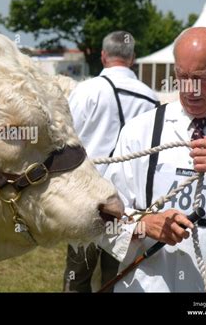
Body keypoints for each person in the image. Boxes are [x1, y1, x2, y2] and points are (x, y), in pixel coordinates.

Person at [104, 27, 206, 292]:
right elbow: (102, 217)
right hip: (148, 285)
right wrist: (142, 226)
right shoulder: (141, 131)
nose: (190, 89)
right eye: (182, 77)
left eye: (201, 78)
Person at [64, 31, 159, 292]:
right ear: (133, 58)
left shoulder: (86, 90)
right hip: (128, 202)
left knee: (77, 275)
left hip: (87, 199)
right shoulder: (150, 97)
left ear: (103, 56)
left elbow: (67, 141)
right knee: (116, 276)